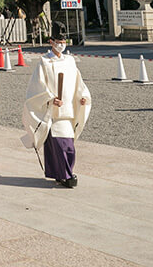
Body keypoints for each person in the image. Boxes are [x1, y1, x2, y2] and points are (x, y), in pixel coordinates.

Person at [23, 24, 91, 189]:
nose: (61, 44)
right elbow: (37, 86)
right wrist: (50, 98)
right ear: (51, 42)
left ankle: (62, 173)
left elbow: (77, 82)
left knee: (68, 145)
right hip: (53, 111)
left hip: (68, 108)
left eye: (63, 41)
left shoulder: (69, 60)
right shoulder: (44, 62)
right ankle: (66, 175)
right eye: (58, 41)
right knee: (60, 145)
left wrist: (82, 97)